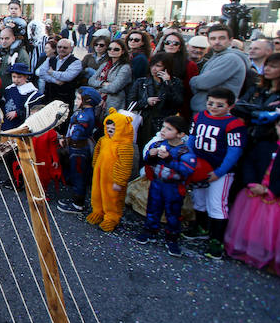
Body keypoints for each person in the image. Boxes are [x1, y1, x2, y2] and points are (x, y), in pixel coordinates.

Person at [224, 111, 280, 282]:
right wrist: (252, 183)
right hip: (255, 193)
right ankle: (252, 252)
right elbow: (249, 163)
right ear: (275, 126)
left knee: (278, 229)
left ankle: (276, 258)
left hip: (279, 197)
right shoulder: (263, 146)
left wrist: (273, 189)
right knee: (253, 226)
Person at [186, 87, 248, 259]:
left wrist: (220, 172)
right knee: (199, 200)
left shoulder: (234, 124)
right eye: (210, 103)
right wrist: (190, 160)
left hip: (219, 171)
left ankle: (216, 240)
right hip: (199, 167)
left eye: (219, 105)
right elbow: (192, 139)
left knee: (217, 205)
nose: (213, 107)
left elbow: (234, 151)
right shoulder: (199, 116)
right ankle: (201, 227)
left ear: (230, 106)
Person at [136, 116, 196, 257]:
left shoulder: (185, 151)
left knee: (173, 213)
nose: (163, 130)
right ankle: (150, 230)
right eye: (163, 127)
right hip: (157, 183)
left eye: (168, 129)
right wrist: (150, 156)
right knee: (152, 207)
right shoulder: (158, 144)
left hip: (174, 187)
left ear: (181, 134)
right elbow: (147, 161)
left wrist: (169, 159)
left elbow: (187, 170)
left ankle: (172, 238)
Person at [86, 108, 135, 232]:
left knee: (112, 199)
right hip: (100, 174)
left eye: (113, 130)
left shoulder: (124, 145)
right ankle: (98, 211)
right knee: (97, 195)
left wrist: (119, 181)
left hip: (113, 178)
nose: (110, 131)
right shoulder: (104, 140)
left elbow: (125, 164)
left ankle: (111, 218)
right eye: (108, 129)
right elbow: (97, 152)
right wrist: (95, 166)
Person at [239, 52, 280, 142]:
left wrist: (252, 110)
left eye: (273, 67)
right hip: (248, 133)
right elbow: (238, 106)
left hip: (272, 138)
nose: (266, 69)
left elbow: (274, 111)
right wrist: (258, 111)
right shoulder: (258, 87)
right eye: (266, 65)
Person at [57, 87, 101, 214]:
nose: (75, 101)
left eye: (78, 99)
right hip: (75, 147)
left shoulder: (85, 116)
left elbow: (77, 134)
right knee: (75, 173)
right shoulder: (82, 113)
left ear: (87, 101)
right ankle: (75, 199)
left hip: (79, 149)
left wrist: (67, 140)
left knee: (78, 175)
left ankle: (78, 204)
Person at [128, 52, 183, 149]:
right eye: (152, 65)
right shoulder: (141, 82)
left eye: (158, 66)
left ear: (166, 68)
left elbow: (177, 102)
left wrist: (168, 83)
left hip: (164, 123)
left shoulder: (175, 82)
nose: (154, 68)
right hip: (144, 122)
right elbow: (131, 103)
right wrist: (146, 102)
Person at [189, 25, 248, 115]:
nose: (217, 42)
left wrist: (193, 80)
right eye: (213, 38)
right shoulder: (217, 57)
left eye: (222, 38)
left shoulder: (231, 58)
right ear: (208, 40)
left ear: (230, 40)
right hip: (205, 111)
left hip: (216, 114)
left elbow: (203, 83)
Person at [38, 39, 83, 112]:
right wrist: (55, 81)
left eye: (65, 47)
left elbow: (67, 76)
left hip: (65, 99)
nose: (61, 49)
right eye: (59, 47)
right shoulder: (50, 59)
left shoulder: (76, 62)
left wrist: (52, 72)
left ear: (71, 49)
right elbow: (42, 73)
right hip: (49, 97)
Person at [0, 63, 37, 131]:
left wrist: (17, 113)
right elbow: (3, 104)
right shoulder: (9, 89)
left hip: (19, 124)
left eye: (19, 77)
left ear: (26, 77)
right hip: (6, 122)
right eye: (14, 77)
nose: (16, 80)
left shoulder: (32, 93)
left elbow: (32, 112)